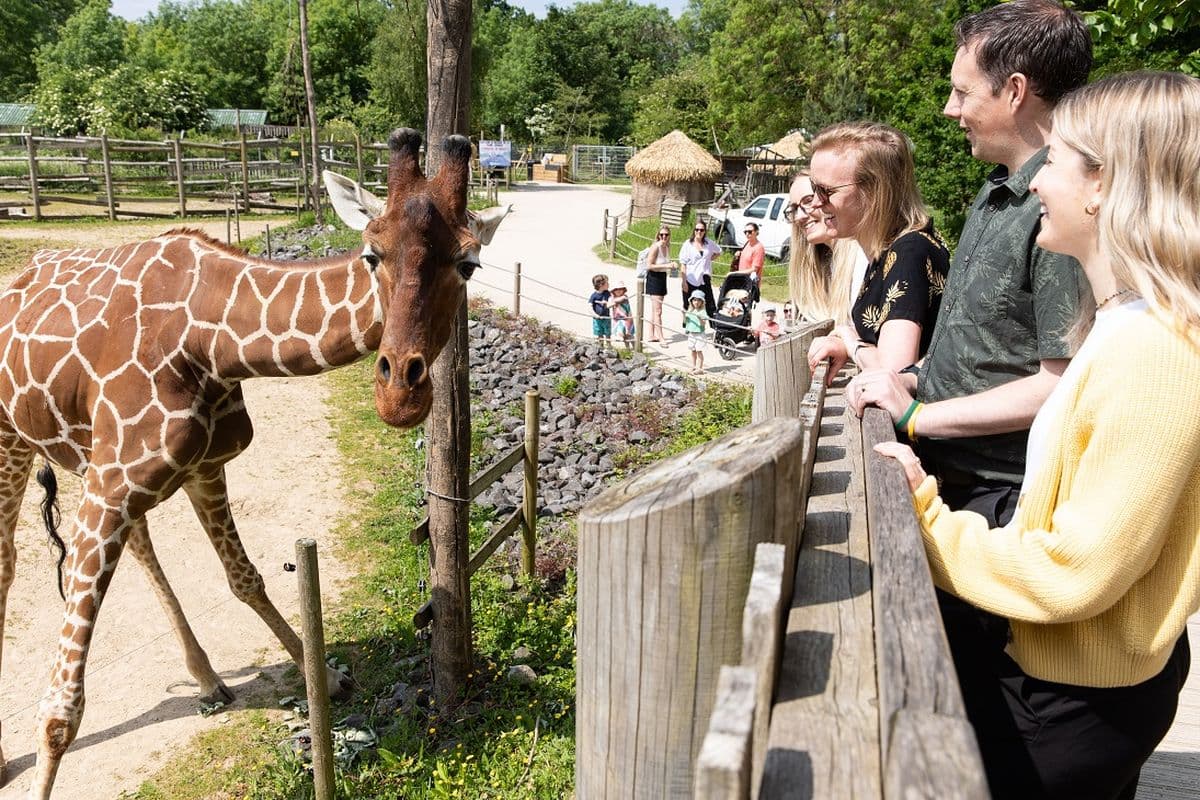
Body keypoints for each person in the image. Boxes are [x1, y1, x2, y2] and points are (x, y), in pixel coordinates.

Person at [877, 70, 1200, 800]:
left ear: (1103, 186)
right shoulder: (1125, 327)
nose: (1035, 184)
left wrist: (924, 519)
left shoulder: (1153, 350)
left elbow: (1073, 571)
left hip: (1076, 697)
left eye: (1054, 161)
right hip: (1068, 680)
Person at [804, 123, 951, 382]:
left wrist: (850, 340)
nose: (815, 202)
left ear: (874, 190)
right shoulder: (889, 250)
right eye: (814, 188)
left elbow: (892, 375)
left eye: (826, 191)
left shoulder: (909, 252)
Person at [786, 172, 868, 323]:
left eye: (808, 201)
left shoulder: (864, 259)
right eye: (794, 208)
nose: (799, 216)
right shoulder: (826, 266)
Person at [679, 220, 721, 320]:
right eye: (697, 229)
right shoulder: (688, 244)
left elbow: (719, 251)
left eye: (701, 230)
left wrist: (710, 258)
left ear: (705, 231)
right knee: (689, 303)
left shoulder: (709, 243)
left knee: (709, 303)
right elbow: (683, 264)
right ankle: (688, 325)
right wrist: (684, 281)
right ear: (694, 231)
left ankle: (714, 326)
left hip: (704, 278)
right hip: (691, 278)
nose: (699, 232)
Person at [644, 225, 676, 342]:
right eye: (661, 235)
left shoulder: (667, 246)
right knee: (658, 311)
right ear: (658, 235)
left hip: (662, 277)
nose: (664, 237)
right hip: (654, 278)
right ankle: (661, 337)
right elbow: (649, 265)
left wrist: (671, 265)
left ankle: (651, 334)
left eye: (666, 235)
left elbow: (665, 262)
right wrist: (666, 266)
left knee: (655, 309)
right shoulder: (655, 247)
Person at [739, 223, 765, 304]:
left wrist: (736, 273)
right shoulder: (747, 244)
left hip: (749, 283)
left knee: (745, 307)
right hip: (741, 280)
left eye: (750, 232)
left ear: (756, 232)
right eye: (745, 232)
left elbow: (755, 269)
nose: (747, 234)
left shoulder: (759, 248)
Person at [684, 288, 708, 373]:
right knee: (693, 351)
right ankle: (693, 366)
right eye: (694, 300)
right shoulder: (691, 310)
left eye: (698, 300)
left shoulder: (702, 312)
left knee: (699, 351)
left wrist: (700, 319)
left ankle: (700, 368)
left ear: (702, 302)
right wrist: (684, 315)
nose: (696, 302)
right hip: (691, 333)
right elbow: (686, 322)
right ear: (691, 301)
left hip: (699, 334)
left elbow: (703, 324)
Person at [588, 273, 612, 347]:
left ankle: (609, 346)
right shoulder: (594, 296)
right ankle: (600, 346)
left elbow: (611, 301)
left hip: (606, 317)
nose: (609, 284)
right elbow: (590, 307)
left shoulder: (607, 293)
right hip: (597, 318)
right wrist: (595, 315)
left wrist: (609, 303)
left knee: (608, 333)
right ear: (601, 285)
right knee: (599, 333)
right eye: (607, 282)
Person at [610, 280, 634, 349]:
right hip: (618, 319)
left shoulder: (624, 297)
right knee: (622, 334)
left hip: (627, 319)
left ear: (624, 290)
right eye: (616, 289)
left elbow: (618, 300)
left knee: (629, 335)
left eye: (621, 289)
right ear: (613, 291)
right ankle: (627, 348)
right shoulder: (612, 298)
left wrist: (612, 301)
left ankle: (634, 347)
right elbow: (609, 304)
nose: (619, 291)